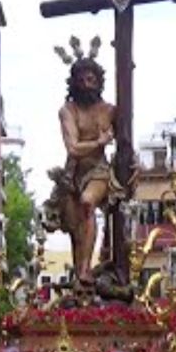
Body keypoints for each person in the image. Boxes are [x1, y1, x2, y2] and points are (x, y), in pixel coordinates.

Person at [42, 37, 121, 286]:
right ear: (74, 82)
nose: (87, 84)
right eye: (82, 79)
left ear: (98, 81)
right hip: (73, 173)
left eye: (91, 79)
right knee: (75, 226)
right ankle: (80, 277)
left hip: (98, 171)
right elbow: (73, 148)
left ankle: (87, 269)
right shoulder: (68, 111)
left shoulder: (109, 110)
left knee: (88, 203)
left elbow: (124, 140)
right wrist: (100, 142)